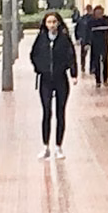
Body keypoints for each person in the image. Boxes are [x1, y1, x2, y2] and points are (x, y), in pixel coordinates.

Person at [29, 11, 79, 160]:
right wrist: (39, 68)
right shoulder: (41, 39)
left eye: (54, 22)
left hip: (60, 79)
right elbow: (34, 55)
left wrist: (73, 73)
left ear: (58, 23)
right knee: (46, 112)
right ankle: (45, 146)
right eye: (49, 22)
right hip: (45, 80)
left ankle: (58, 146)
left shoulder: (64, 39)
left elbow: (71, 56)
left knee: (60, 112)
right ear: (45, 24)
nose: (51, 25)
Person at [87, 5, 108, 87]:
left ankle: (105, 79)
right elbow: (87, 33)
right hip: (95, 44)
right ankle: (98, 80)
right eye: (97, 13)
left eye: (101, 13)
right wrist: (87, 43)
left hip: (104, 44)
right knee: (96, 63)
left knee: (105, 61)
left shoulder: (107, 20)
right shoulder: (91, 22)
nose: (99, 14)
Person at [75, 4, 93, 71]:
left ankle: (91, 68)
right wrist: (78, 38)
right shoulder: (82, 19)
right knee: (83, 54)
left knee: (92, 54)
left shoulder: (93, 19)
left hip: (90, 38)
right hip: (84, 38)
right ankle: (83, 66)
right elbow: (77, 29)